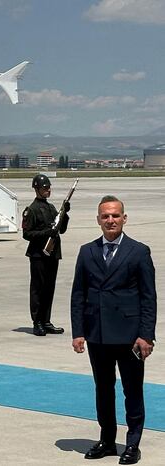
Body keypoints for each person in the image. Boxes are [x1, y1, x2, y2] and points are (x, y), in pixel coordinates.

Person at [71, 195, 156, 465]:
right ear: (98, 220)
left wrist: (146, 335)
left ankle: (132, 444)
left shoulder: (138, 251)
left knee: (133, 390)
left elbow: (148, 297)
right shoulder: (87, 251)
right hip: (98, 334)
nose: (111, 220)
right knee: (103, 390)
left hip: (130, 336)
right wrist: (78, 331)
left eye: (115, 215)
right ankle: (107, 440)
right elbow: (78, 294)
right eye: (105, 216)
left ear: (124, 218)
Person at [22, 174, 69, 336]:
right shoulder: (32, 210)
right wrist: (45, 233)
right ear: (36, 189)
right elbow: (27, 234)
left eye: (49, 187)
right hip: (38, 254)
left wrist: (65, 214)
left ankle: (46, 321)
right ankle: (37, 322)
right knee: (38, 289)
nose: (48, 190)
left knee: (49, 288)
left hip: (52, 254)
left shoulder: (51, 208)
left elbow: (61, 229)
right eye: (45, 188)